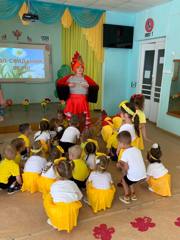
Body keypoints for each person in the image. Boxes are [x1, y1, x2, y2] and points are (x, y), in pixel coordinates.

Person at [56, 51, 99, 128]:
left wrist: (88, 86)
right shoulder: (70, 77)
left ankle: (82, 130)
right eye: (78, 67)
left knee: (82, 118)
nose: (80, 69)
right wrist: (68, 85)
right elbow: (59, 83)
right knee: (72, 118)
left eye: (81, 67)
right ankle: (72, 129)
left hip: (82, 101)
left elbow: (95, 86)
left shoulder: (86, 78)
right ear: (74, 68)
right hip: (72, 101)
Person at [43, 160, 82, 232]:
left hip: (58, 211)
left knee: (47, 199)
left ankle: (54, 221)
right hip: (71, 209)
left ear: (56, 173)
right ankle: (69, 220)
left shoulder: (54, 185)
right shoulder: (73, 184)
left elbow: (53, 197)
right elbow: (80, 196)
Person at [117, 131, 146, 204]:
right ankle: (133, 194)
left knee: (124, 179)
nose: (118, 145)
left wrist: (119, 164)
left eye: (119, 143)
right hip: (142, 175)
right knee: (129, 177)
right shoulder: (137, 149)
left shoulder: (125, 153)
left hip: (134, 176)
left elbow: (125, 167)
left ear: (123, 144)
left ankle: (126, 196)